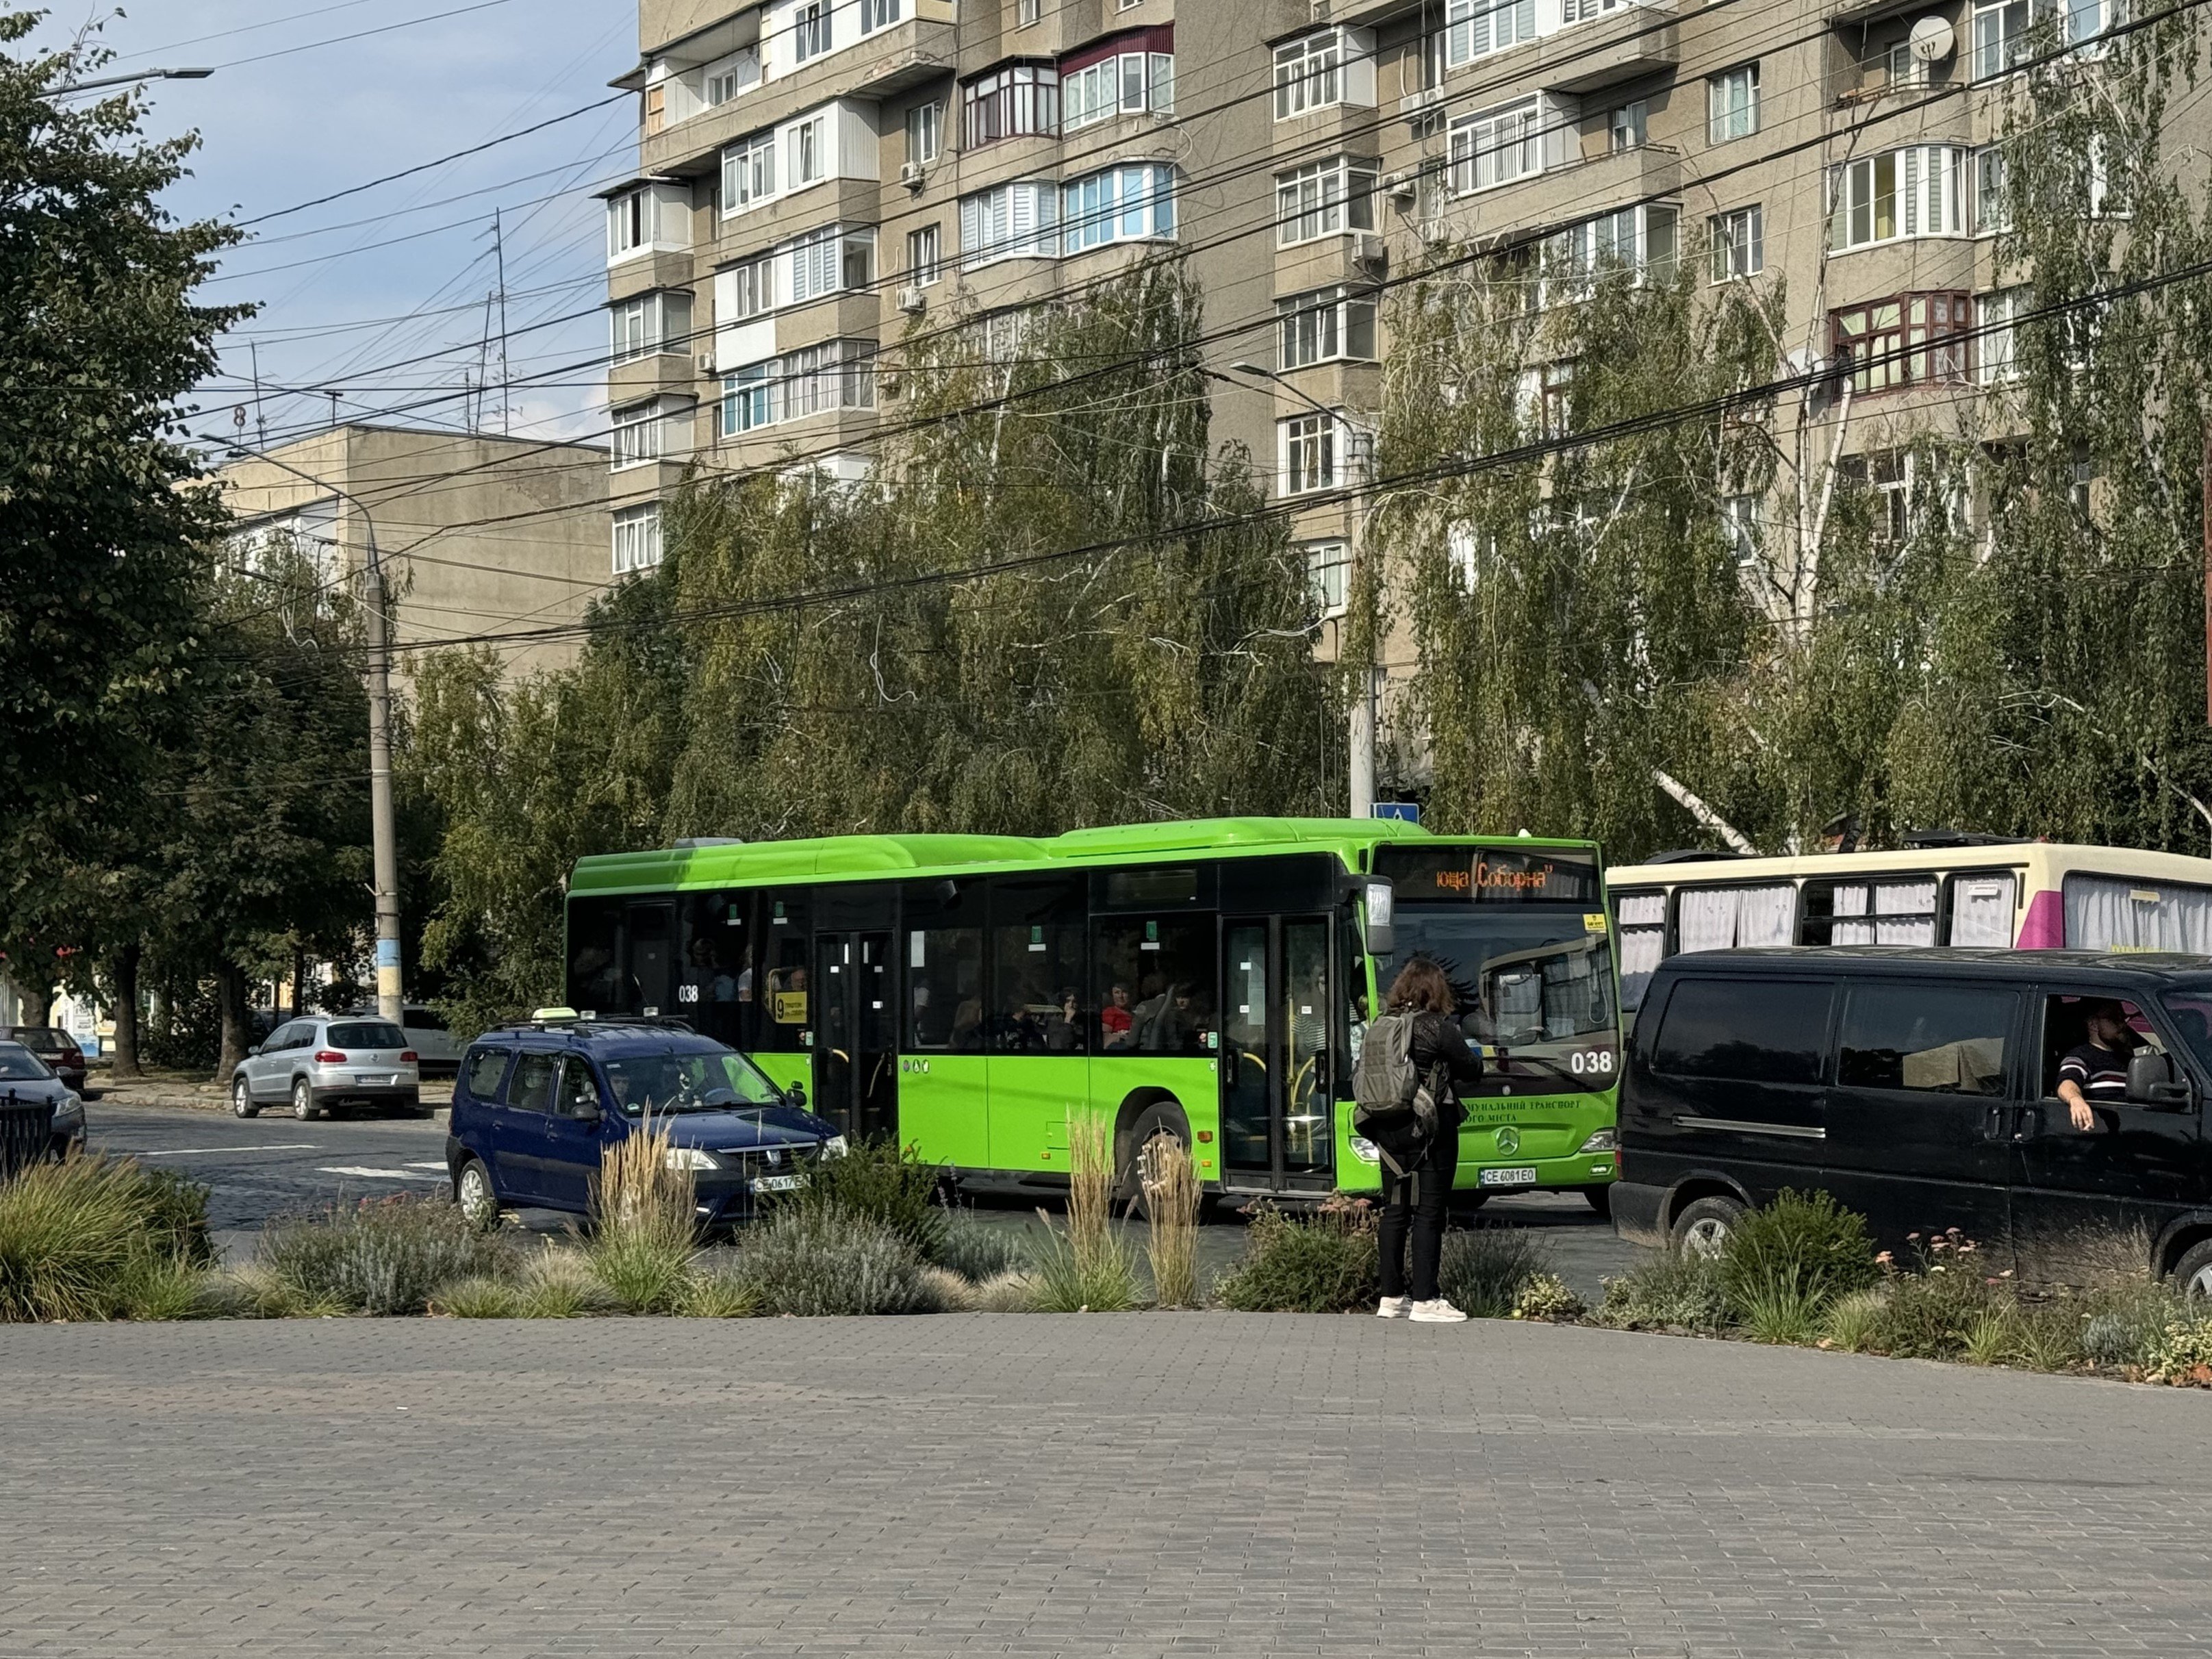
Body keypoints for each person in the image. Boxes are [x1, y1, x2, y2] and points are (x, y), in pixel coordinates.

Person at [1373, 957, 1485, 1324]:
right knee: (1429, 1212)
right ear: (1436, 991)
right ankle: (1425, 1299)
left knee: (1395, 1210)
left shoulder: (1381, 1025)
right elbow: (1473, 1069)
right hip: (1429, 1127)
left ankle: (1390, 1298)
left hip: (1386, 1126)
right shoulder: (1438, 1028)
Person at [2058, 998, 2141, 1131]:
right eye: (2114, 1018)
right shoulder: (2081, 1056)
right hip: (2102, 1130)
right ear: (2094, 1025)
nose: (2122, 1024)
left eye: (2123, 1018)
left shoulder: (2127, 1059)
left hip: (2133, 1128)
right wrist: (2075, 1100)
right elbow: (2067, 1083)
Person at [1099, 983, 1134, 1048]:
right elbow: (1105, 1038)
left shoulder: (1136, 1013)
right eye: (1117, 993)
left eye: (1124, 992)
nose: (1121, 996)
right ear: (1112, 996)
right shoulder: (1110, 1012)